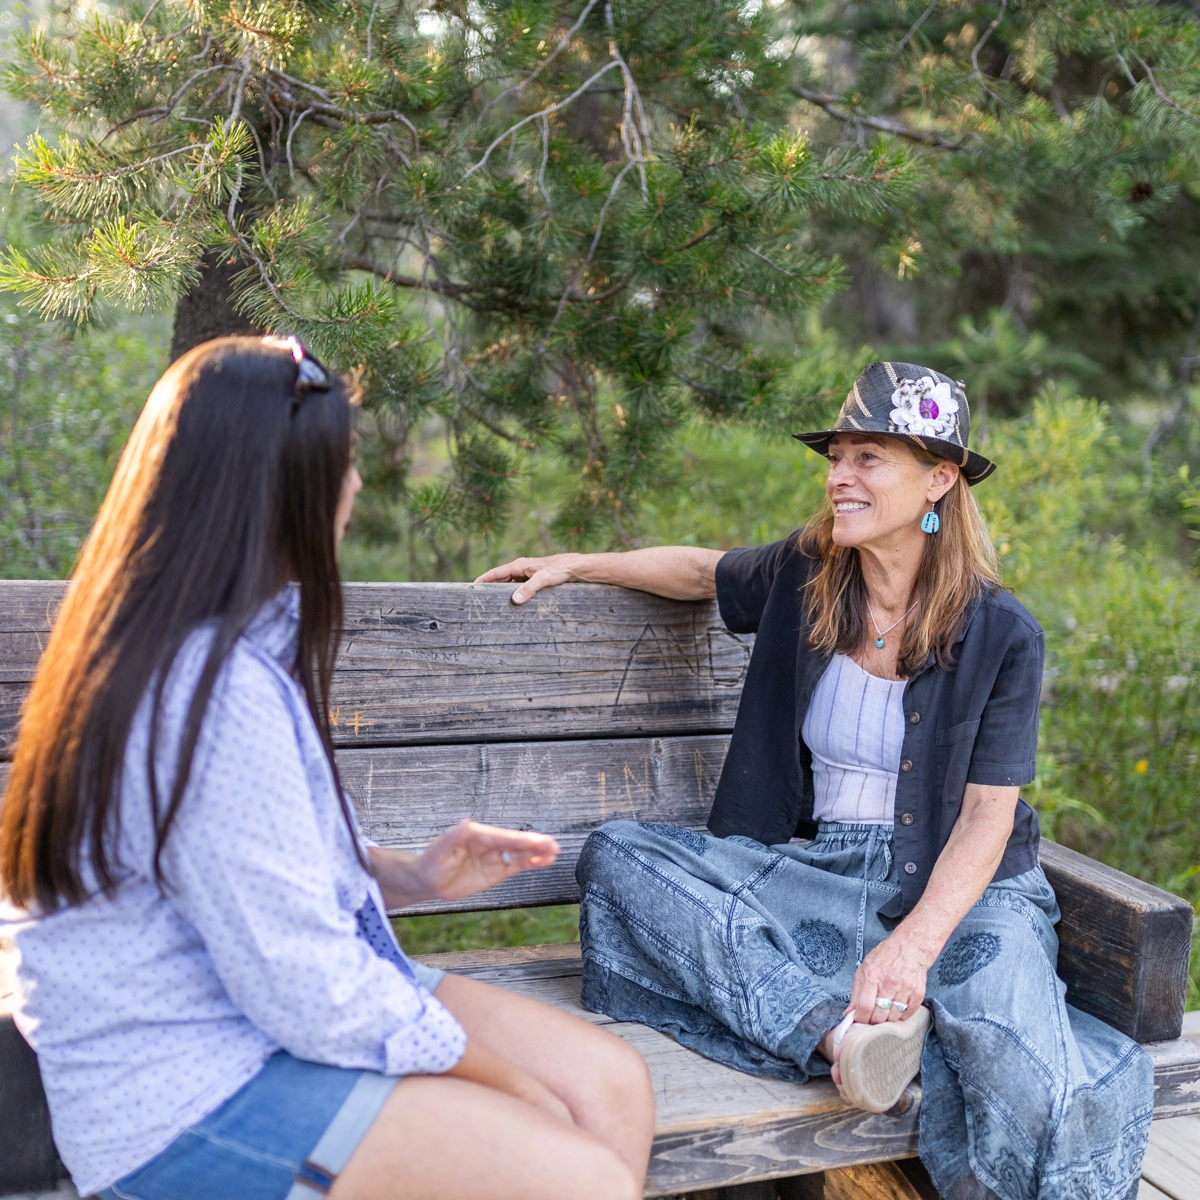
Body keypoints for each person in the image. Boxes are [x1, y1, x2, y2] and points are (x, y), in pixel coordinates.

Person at [477, 362, 1153, 1200]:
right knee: (619, 858)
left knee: (1033, 1080)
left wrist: (910, 948)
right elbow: (700, 572)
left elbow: (986, 820)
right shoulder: (809, 576)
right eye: (836, 457)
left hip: (963, 892)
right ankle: (843, 1035)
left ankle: (914, 1008)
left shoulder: (1002, 633)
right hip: (817, 877)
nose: (840, 477)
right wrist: (577, 563)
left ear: (939, 479)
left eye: (869, 458)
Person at [0, 337, 653, 1200]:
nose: (353, 487)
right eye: (340, 465)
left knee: (609, 1087)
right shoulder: (205, 687)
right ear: (286, 488)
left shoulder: (236, 643)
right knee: (576, 1175)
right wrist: (503, 1084)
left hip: (267, 1010)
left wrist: (405, 873)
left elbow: (256, 881)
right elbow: (303, 986)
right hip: (187, 1087)